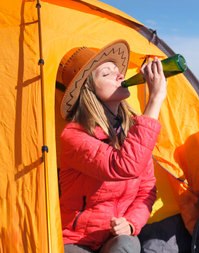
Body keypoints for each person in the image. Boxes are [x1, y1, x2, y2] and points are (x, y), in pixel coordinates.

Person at [57, 39, 167, 252]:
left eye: (118, 71)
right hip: (76, 240)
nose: (120, 76)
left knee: (127, 244)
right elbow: (124, 167)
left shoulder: (132, 133)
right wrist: (154, 100)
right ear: (88, 91)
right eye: (106, 74)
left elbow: (146, 190)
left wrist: (131, 223)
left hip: (114, 238)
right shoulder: (74, 135)